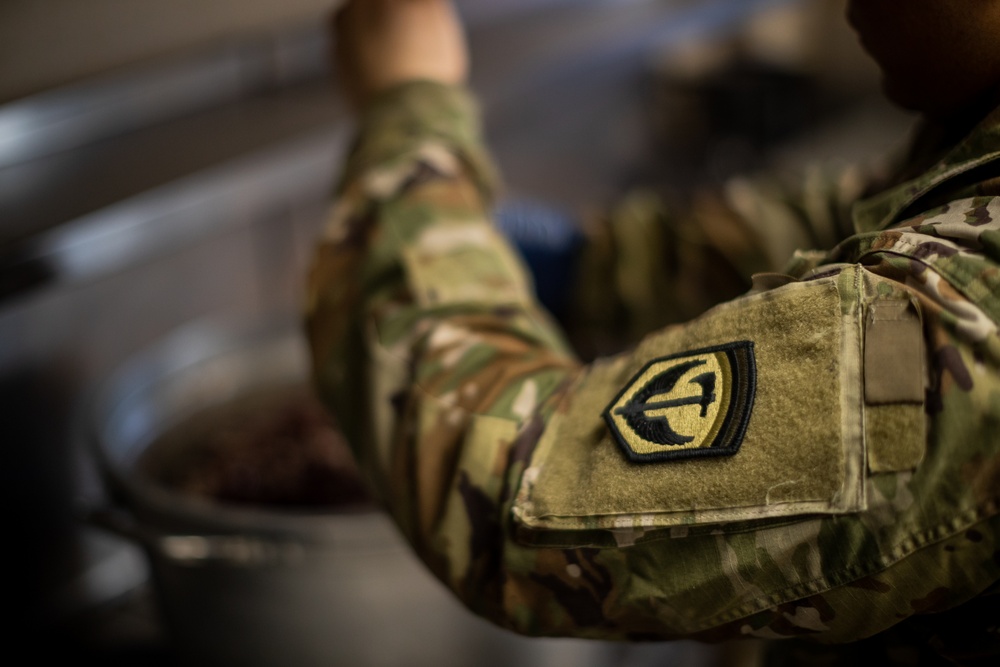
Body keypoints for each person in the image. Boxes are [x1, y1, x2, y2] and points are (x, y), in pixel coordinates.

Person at [306, 0, 1000, 662]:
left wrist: (408, 123)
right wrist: (586, 262)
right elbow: (851, 211)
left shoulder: (973, 319)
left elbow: (510, 491)